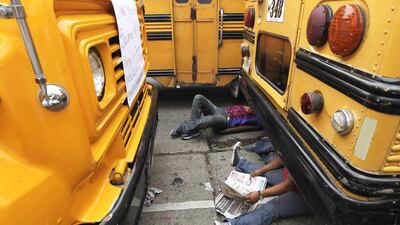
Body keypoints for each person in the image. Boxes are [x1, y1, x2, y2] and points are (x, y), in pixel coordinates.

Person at [215, 141, 311, 225]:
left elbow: (288, 185)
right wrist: (261, 170)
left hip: (307, 195)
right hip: (290, 177)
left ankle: (234, 224)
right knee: (264, 173)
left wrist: (260, 194)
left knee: (271, 208)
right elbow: (283, 158)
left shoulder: (308, 149)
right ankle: (240, 162)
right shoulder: (294, 139)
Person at [170, 94, 258, 140]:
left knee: (207, 120)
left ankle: (183, 127)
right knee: (198, 98)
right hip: (221, 110)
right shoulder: (252, 105)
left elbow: (262, 124)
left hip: (226, 121)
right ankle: (193, 130)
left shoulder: (259, 117)